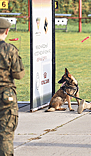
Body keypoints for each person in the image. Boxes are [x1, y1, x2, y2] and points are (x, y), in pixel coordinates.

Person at [0, 17, 25, 155]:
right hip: (5, 97)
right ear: (7, 31)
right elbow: (19, 75)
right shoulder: (9, 50)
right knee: (5, 133)